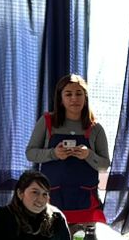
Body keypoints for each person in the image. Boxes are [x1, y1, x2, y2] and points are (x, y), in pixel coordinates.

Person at [25, 74, 110, 225]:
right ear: (60, 98)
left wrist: (88, 155)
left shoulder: (95, 128)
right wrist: (53, 153)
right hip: (51, 201)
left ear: (85, 97)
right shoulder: (47, 122)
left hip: (86, 204)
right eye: (68, 94)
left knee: (86, 239)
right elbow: (30, 153)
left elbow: (104, 165)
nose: (74, 98)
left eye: (79, 94)